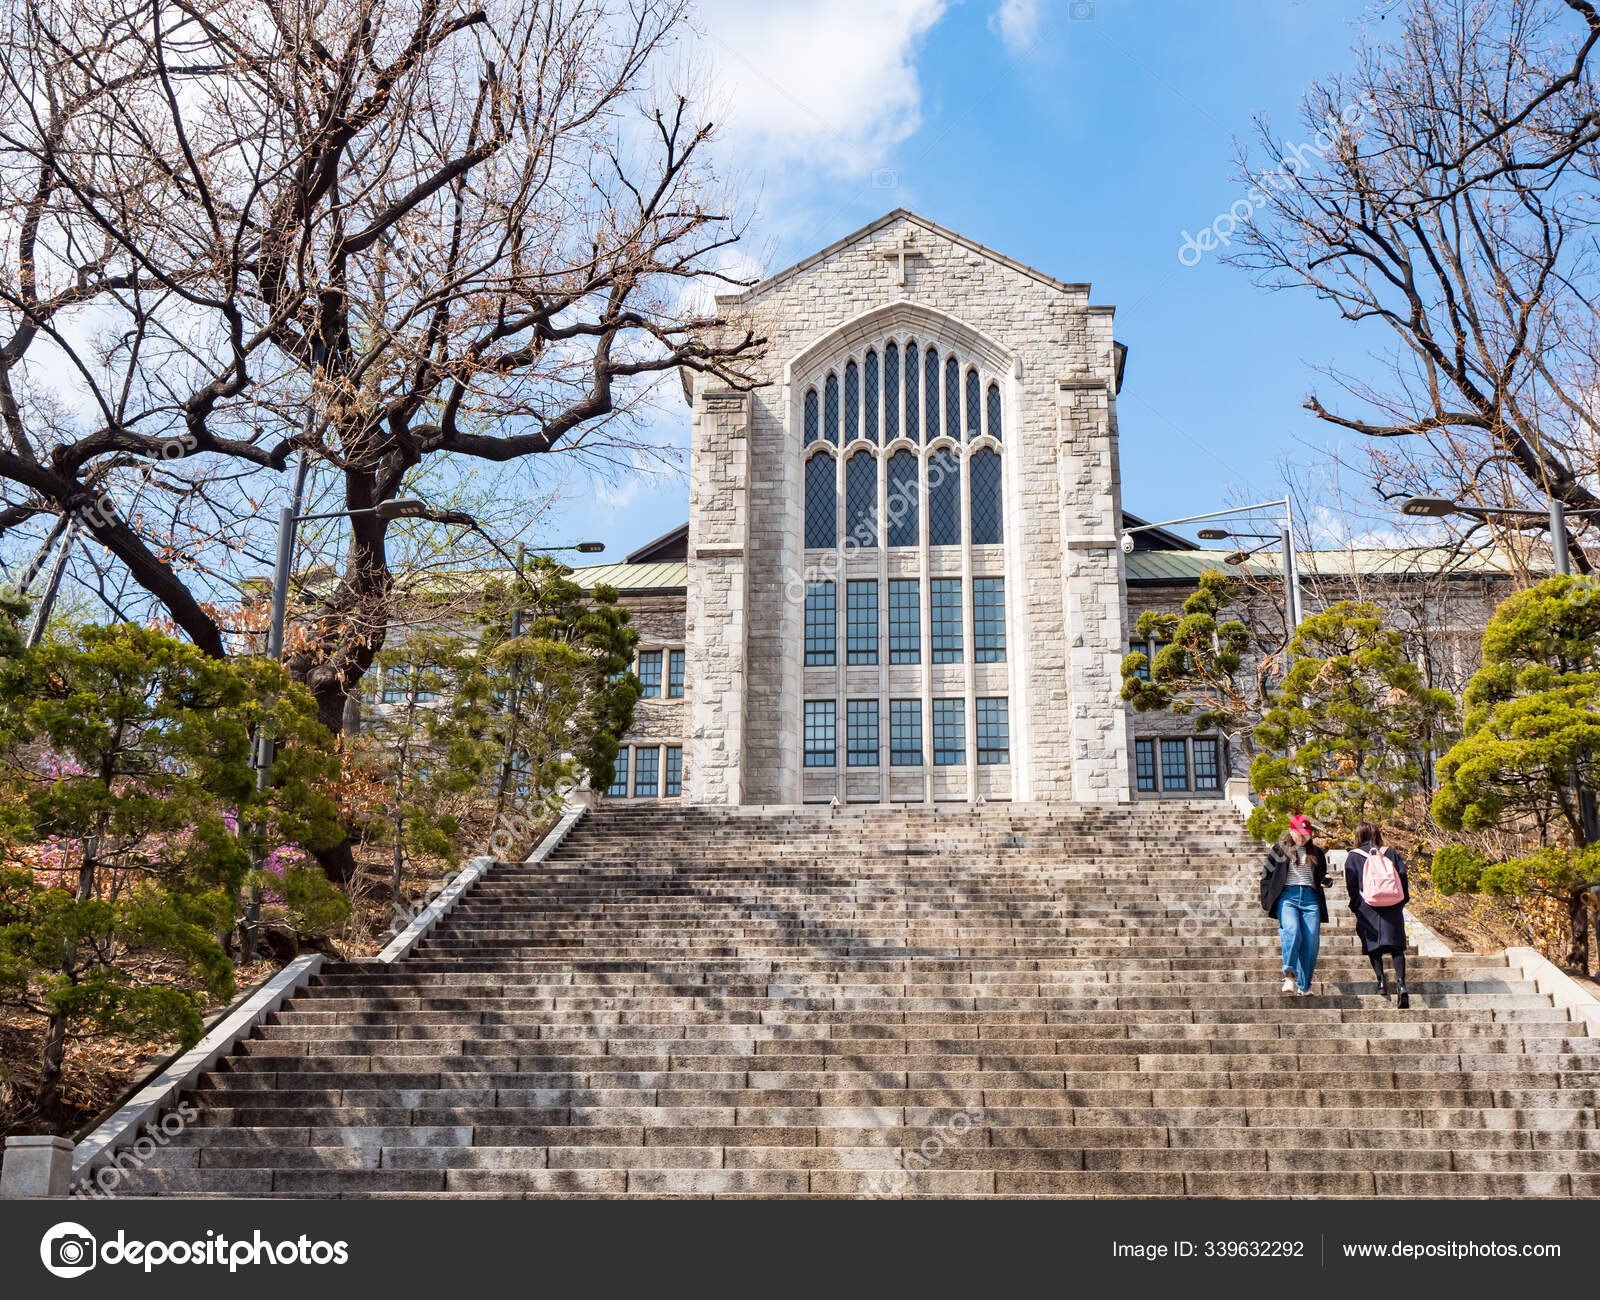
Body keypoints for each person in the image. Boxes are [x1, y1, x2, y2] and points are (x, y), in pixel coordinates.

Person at [1258, 813, 1330, 996]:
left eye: (1307, 834)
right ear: (1291, 832)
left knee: (1311, 940)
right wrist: (1267, 900)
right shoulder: (1280, 850)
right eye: (1300, 833)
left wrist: (1326, 881)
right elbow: (1265, 877)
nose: (1303, 837)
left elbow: (1322, 876)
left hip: (1311, 899)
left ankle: (1304, 986)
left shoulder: (1317, 853)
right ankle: (1289, 976)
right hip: (1288, 897)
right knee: (1292, 930)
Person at [1344, 821, 1411, 1008]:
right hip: (1392, 904)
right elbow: (1403, 877)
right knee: (1396, 947)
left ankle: (1381, 982)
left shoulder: (1354, 857)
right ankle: (1401, 983)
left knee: (1373, 946)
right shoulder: (1390, 853)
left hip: (1368, 906)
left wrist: (1356, 905)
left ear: (1359, 835)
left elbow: (1351, 885)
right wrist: (1401, 901)